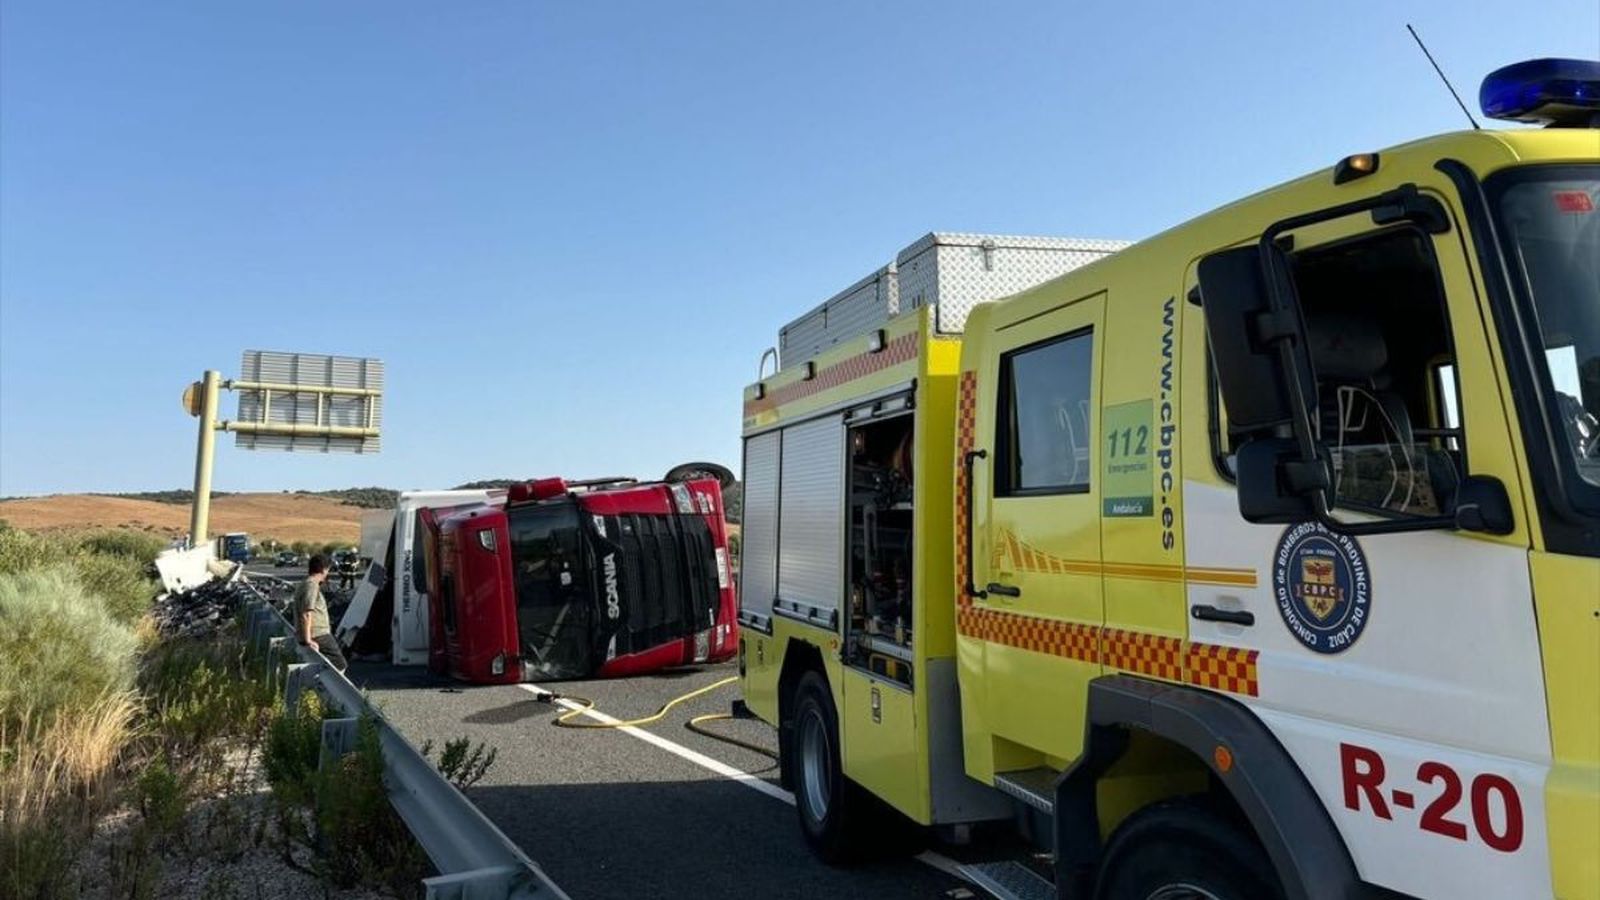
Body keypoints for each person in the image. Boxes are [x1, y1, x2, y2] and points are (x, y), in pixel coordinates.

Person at [294, 554, 348, 672]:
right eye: (328, 570)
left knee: (323, 664)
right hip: (318, 634)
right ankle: (329, 683)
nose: (327, 573)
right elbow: (306, 613)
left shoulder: (304, 584)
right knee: (340, 663)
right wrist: (308, 640)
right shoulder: (311, 585)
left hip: (313, 634)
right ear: (323, 569)